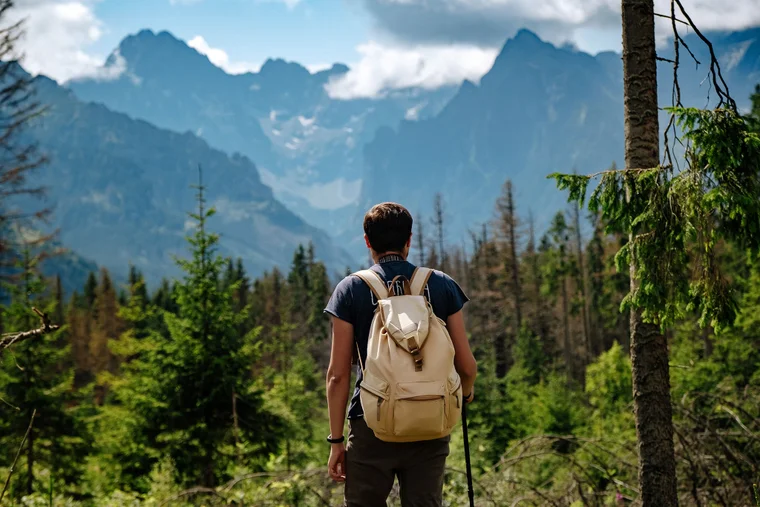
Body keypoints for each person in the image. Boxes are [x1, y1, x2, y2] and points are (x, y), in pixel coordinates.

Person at [324, 202, 478, 507]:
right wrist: (466, 395)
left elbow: (337, 376)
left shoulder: (350, 289)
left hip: (370, 423)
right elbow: (467, 366)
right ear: (409, 239)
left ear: (368, 241)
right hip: (430, 422)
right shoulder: (441, 285)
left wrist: (337, 441)